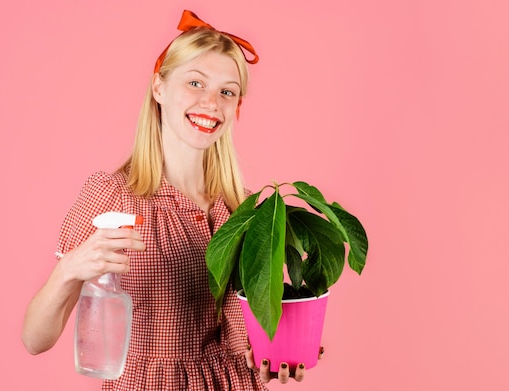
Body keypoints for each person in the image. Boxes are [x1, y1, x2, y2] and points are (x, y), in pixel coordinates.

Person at [22, 10, 313, 390]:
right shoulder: (112, 198)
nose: (211, 102)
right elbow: (34, 340)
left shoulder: (247, 210)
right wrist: (70, 268)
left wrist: (279, 354)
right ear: (159, 88)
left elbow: (253, 333)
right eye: (195, 83)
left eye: (227, 91)